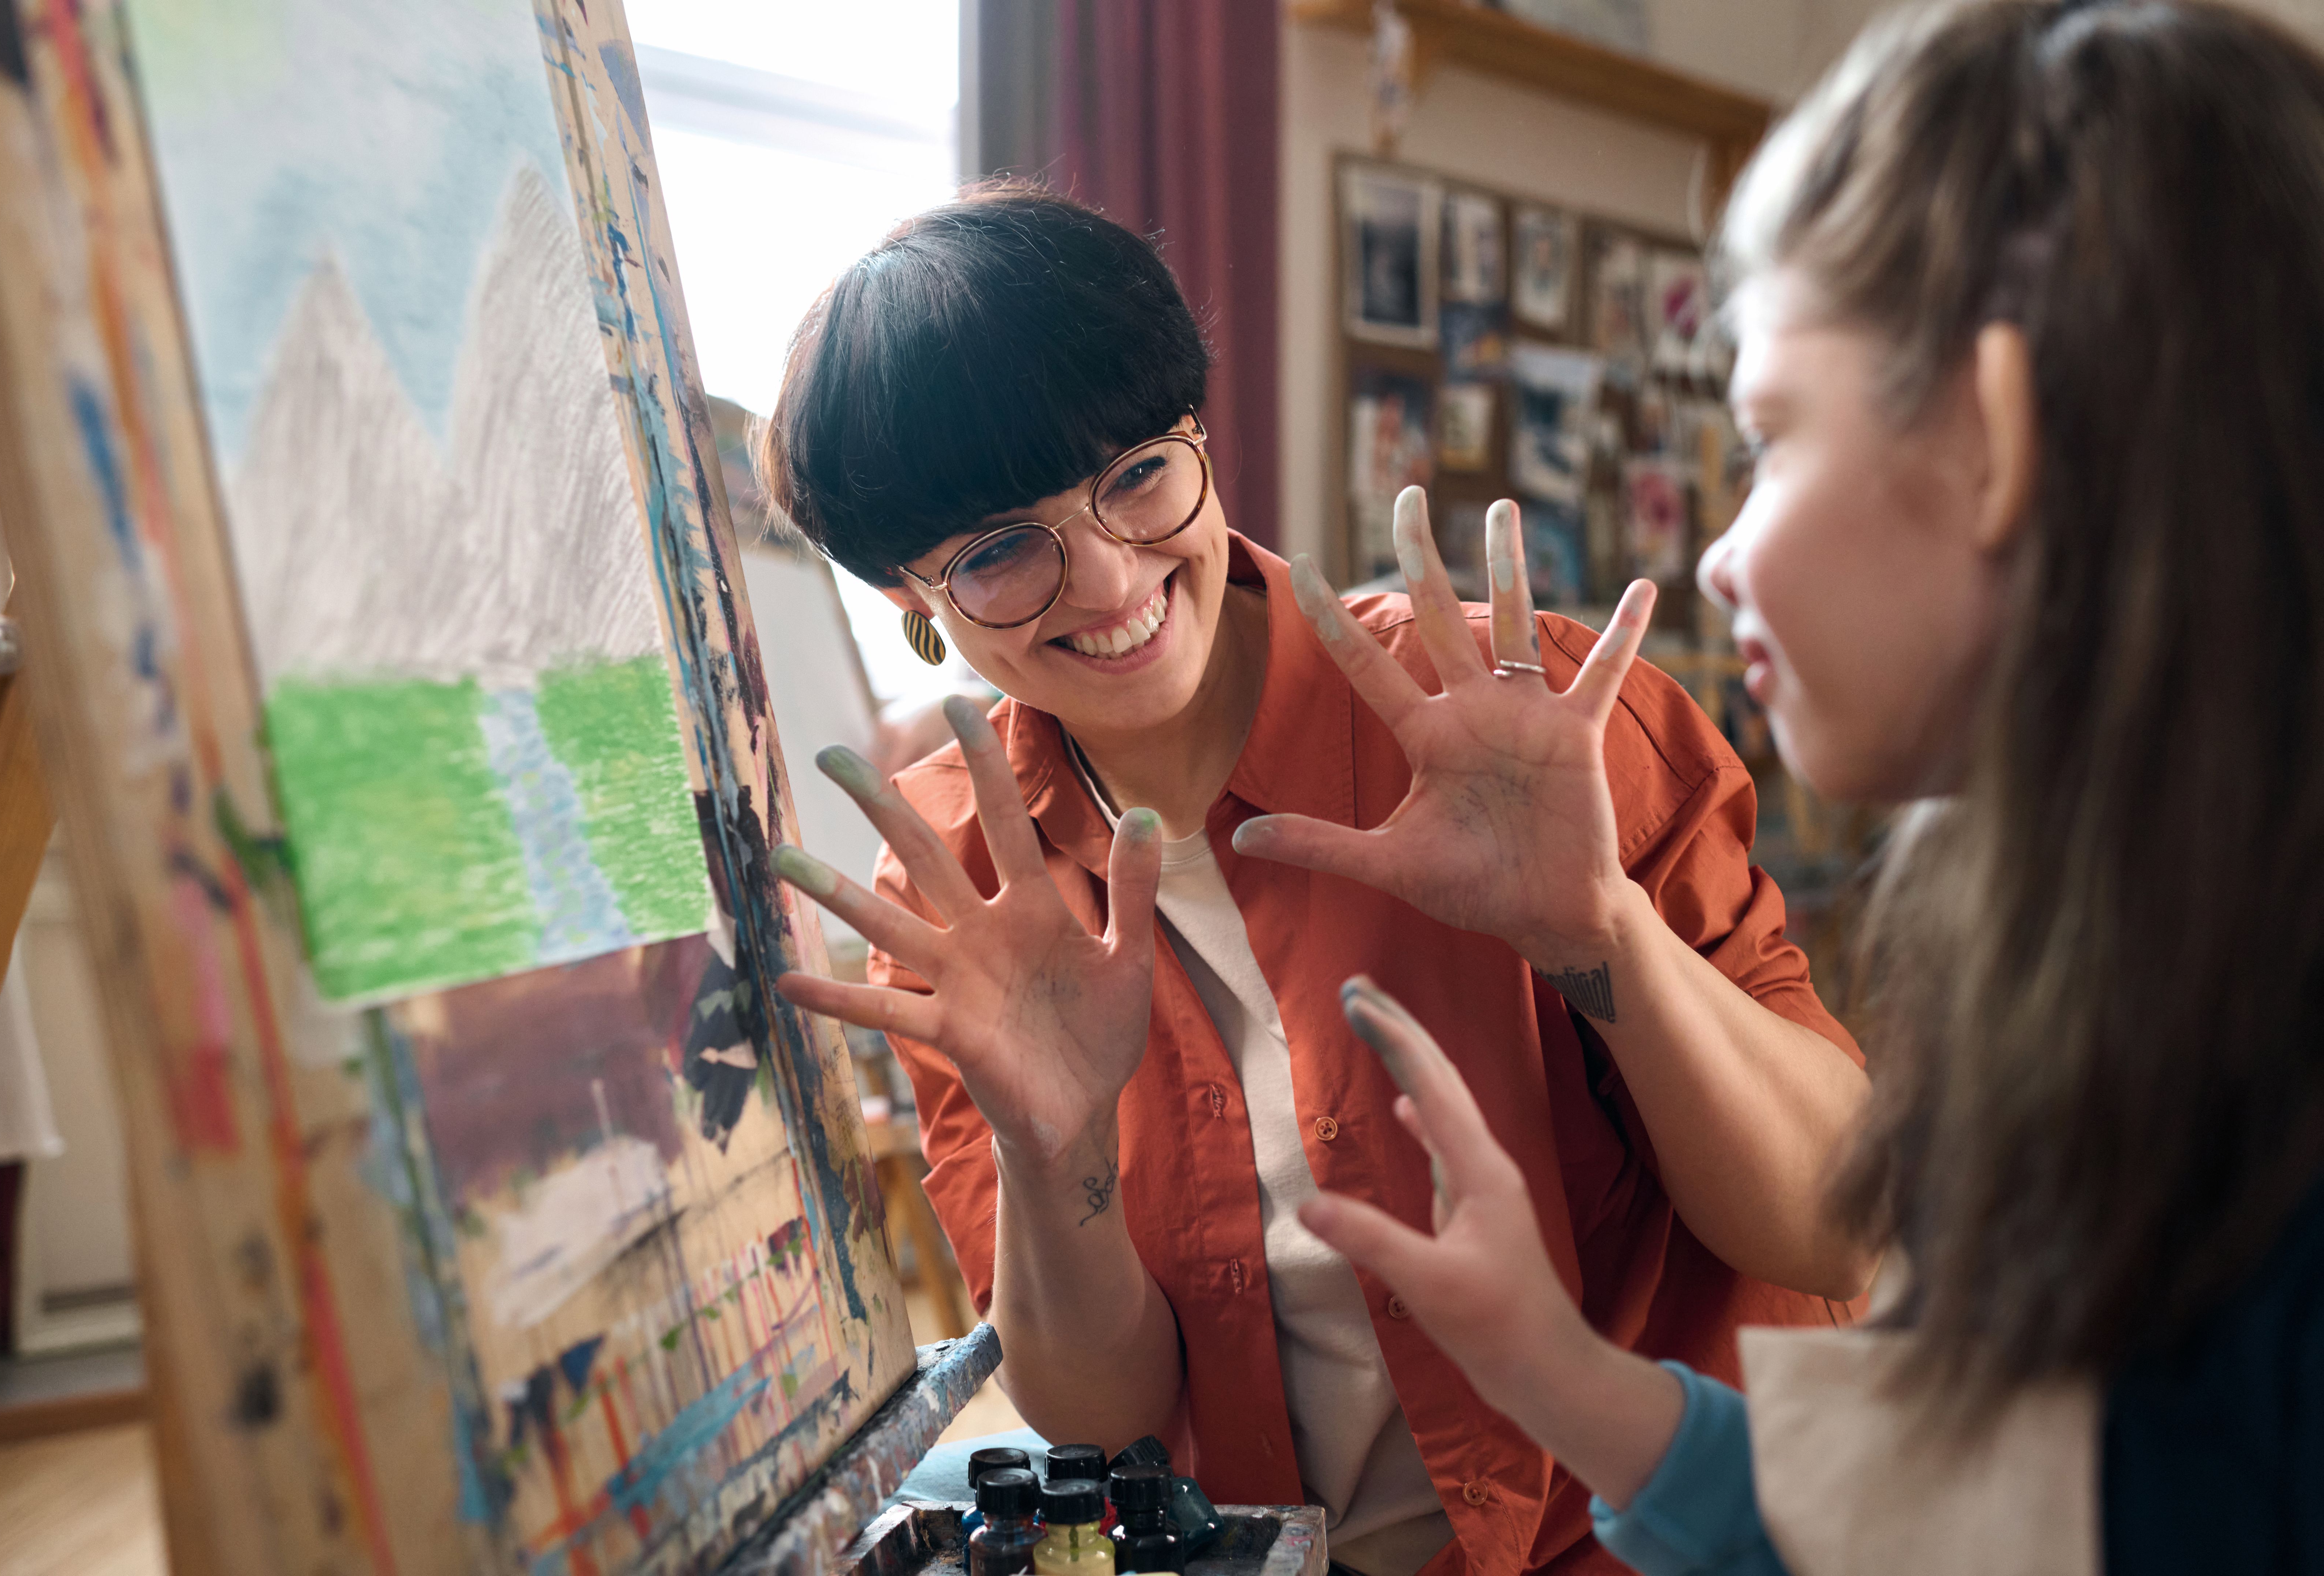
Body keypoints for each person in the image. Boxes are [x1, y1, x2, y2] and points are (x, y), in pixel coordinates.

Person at [1288, 3, 2324, 1572]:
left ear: (1994, 437)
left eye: (1767, 435)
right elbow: (1996, 1515)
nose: (1718, 550)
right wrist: (1557, 1374)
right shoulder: (2140, 968)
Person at [757, 183, 1875, 1576]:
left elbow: (1841, 1227)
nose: (1107, 580)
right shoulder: (961, 892)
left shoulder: (1530, 722)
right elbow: (1106, 1416)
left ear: (1201, 438)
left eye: (1138, 476)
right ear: (913, 603)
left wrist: (1603, 937)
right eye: (998, 551)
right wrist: (1060, 1162)